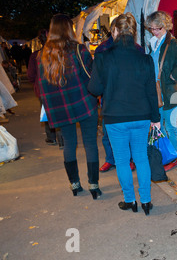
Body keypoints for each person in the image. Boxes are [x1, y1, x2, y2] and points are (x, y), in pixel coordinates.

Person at [88, 12, 160, 216]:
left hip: (115, 117)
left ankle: (130, 200)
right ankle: (146, 201)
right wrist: (156, 119)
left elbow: (94, 89)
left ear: (115, 31)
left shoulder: (102, 57)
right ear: (134, 33)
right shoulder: (146, 59)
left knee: (121, 160)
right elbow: (151, 92)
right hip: (142, 116)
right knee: (141, 158)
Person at [37, 14, 100, 199]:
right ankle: (94, 185)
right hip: (84, 103)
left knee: (69, 144)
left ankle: (75, 185)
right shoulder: (79, 50)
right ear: (69, 29)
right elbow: (91, 75)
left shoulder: (43, 55)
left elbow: (42, 86)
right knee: (90, 143)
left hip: (61, 107)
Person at [144, 11, 177, 171]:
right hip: (156, 91)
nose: (154, 31)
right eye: (152, 28)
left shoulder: (173, 44)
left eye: (157, 28)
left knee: (171, 127)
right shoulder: (153, 42)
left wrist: (174, 76)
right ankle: (164, 155)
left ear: (165, 26)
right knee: (158, 126)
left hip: (170, 92)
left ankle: (173, 158)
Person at [94, 18, 141, 173]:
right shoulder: (102, 49)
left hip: (132, 99)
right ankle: (110, 159)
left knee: (129, 134)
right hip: (110, 99)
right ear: (113, 30)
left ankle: (129, 160)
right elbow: (97, 81)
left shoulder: (137, 49)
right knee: (108, 134)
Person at [27, 29, 63, 147]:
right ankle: (62, 140)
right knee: (60, 113)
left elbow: (31, 75)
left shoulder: (35, 56)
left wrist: (36, 83)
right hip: (57, 87)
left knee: (47, 112)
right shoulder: (57, 53)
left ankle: (51, 138)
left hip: (42, 90)